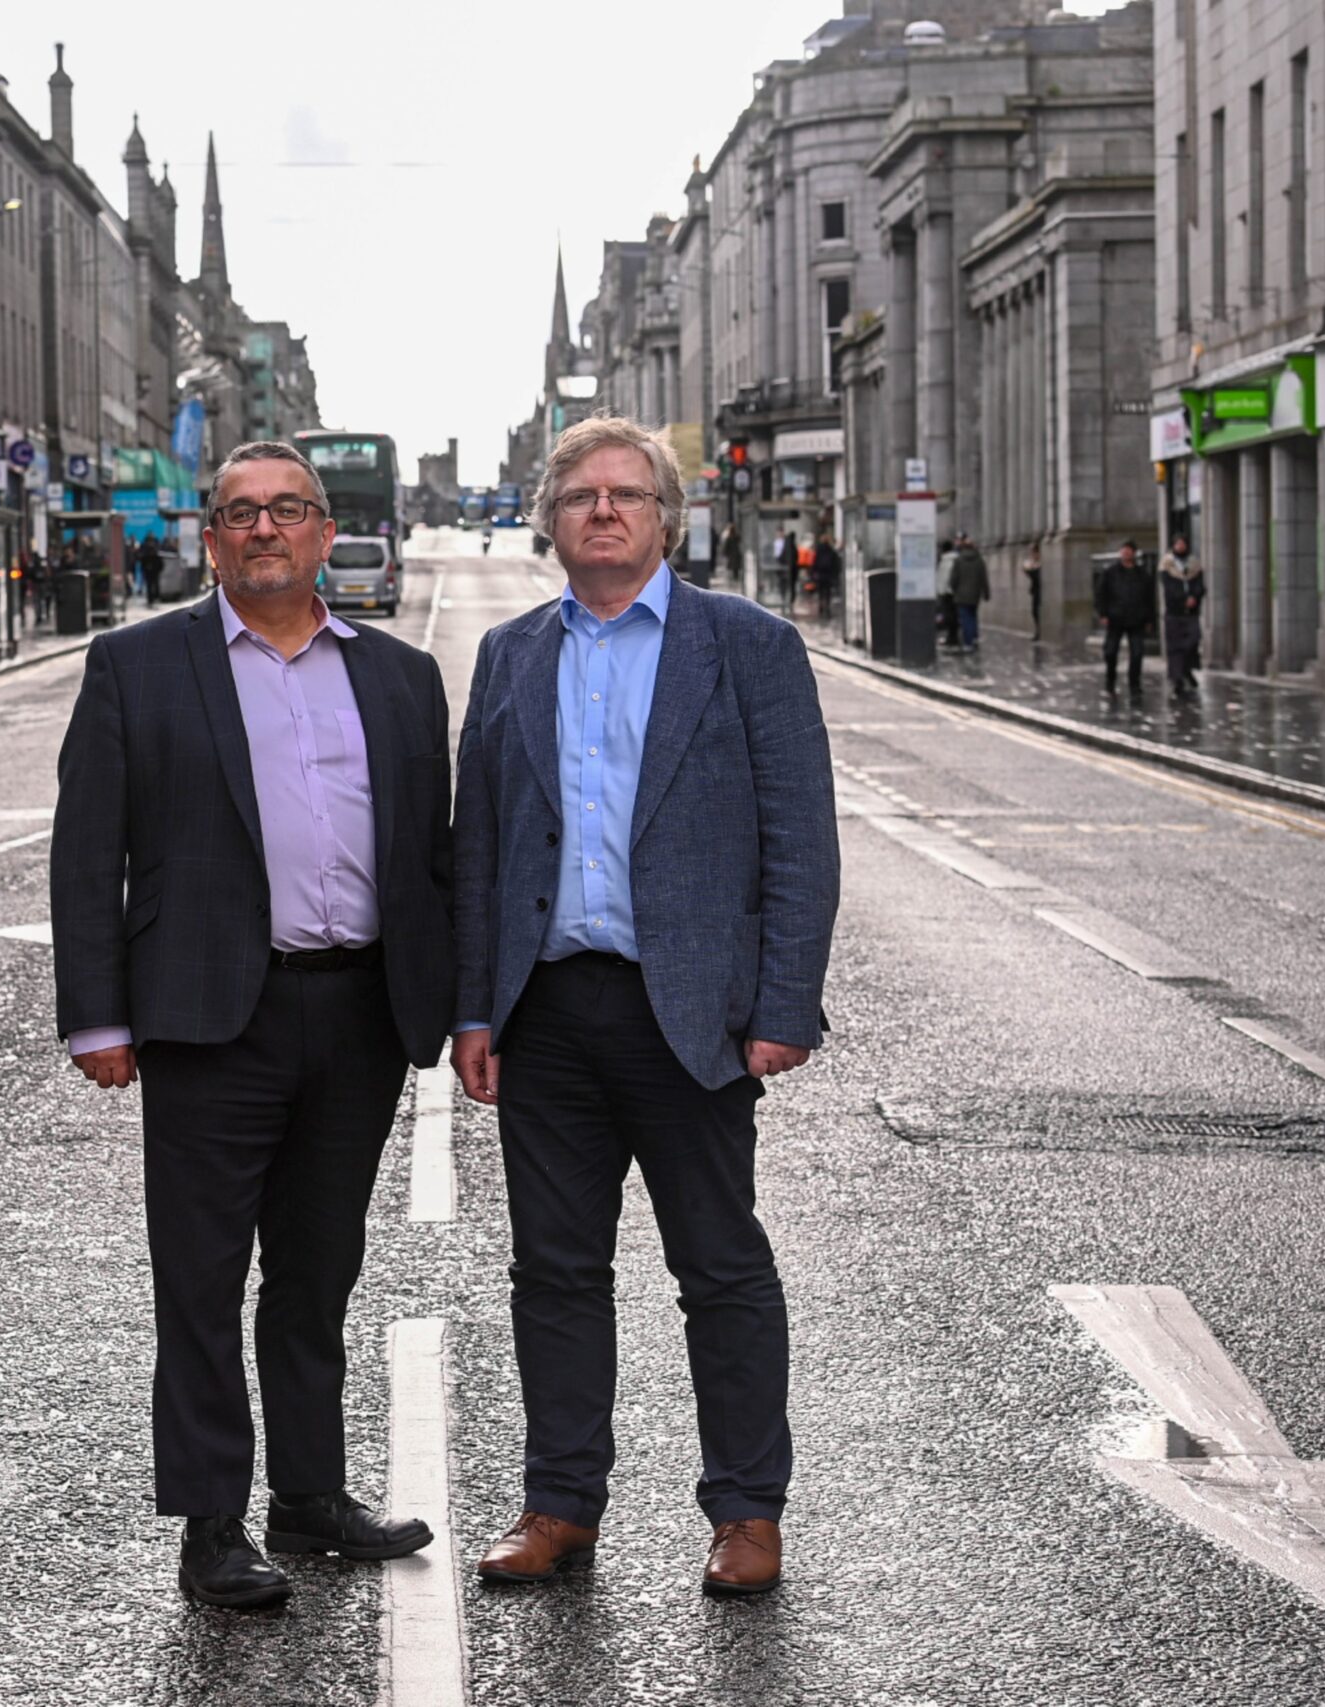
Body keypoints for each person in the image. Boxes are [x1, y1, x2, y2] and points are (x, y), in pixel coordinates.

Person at [52, 440, 455, 1611]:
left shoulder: (398, 675)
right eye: (239, 514)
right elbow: (90, 856)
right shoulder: (138, 666)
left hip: (359, 1009)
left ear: (325, 533)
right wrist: (95, 1018)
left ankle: (311, 1497)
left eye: (287, 511)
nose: (264, 529)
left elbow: (429, 857)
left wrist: (454, 1001)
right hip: (205, 1013)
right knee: (201, 1276)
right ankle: (212, 1524)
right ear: (211, 540)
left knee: (319, 1270)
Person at [451, 414, 838, 1601]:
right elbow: (479, 849)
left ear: (667, 519)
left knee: (719, 1268)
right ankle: (561, 1505)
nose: (603, 512)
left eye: (626, 494)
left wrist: (784, 1004)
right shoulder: (513, 654)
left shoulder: (747, 646)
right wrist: (475, 1011)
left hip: (693, 1016)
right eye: (579, 497)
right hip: (550, 1014)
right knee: (553, 1272)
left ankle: (745, 1512)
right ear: (550, 523)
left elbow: (798, 838)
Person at [1097, 540, 1159, 695]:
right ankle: (1110, 681)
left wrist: (1150, 619)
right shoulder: (1110, 573)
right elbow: (1101, 594)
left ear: (1134, 553)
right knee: (1111, 652)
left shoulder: (1143, 575)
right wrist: (1103, 613)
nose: (1125, 554)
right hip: (1115, 618)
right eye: (1123, 551)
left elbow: (1150, 598)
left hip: (1136, 618)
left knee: (1137, 653)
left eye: (1128, 551)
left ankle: (1134, 684)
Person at [1162, 536, 1206, 702]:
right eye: (1177, 543)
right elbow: (1169, 588)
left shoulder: (1194, 564)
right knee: (1175, 647)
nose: (1180, 546)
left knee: (1193, 640)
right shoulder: (1167, 565)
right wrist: (1183, 599)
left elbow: (1200, 585)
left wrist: (1194, 597)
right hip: (1174, 611)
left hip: (1191, 613)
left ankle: (1186, 669)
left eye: (1183, 543)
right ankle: (1177, 678)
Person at [946, 532, 991, 649]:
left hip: (961, 595)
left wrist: (954, 589)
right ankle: (974, 637)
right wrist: (986, 593)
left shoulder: (958, 560)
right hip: (975, 594)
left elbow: (953, 579)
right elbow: (983, 578)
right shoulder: (980, 560)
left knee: (965, 618)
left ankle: (968, 642)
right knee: (973, 615)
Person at [1023, 543, 1044, 633]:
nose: (1032, 555)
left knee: (1038, 611)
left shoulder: (1040, 564)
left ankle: (1039, 631)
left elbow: (1035, 575)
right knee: (1034, 611)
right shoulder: (1033, 564)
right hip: (1035, 590)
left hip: (1040, 590)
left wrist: (1032, 568)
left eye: (1033, 552)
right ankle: (1037, 630)